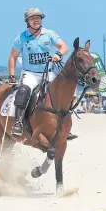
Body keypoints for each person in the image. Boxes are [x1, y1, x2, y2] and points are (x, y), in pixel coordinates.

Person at [8, 8, 72, 137]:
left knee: (62, 92)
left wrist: (58, 55)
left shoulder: (49, 34)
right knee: (24, 91)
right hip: (30, 73)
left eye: (38, 17)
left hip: (48, 72)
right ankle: (18, 123)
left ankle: (65, 125)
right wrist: (11, 75)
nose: (36, 20)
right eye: (32, 18)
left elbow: (64, 47)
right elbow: (12, 57)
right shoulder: (21, 37)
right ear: (27, 21)